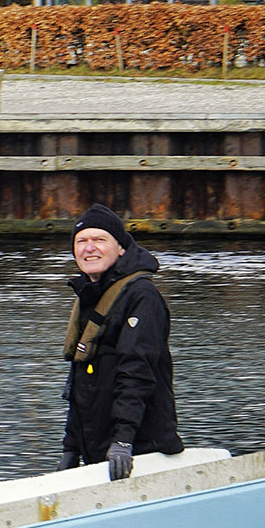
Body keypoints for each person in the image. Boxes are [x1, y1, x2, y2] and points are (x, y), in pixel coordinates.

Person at [58, 204, 182, 482]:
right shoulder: (89, 297)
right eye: (82, 241)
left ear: (121, 248)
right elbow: (79, 382)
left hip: (141, 452)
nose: (89, 248)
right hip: (98, 450)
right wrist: (70, 448)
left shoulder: (142, 297)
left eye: (99, 240)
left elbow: (136, 373)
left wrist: (123, 441)